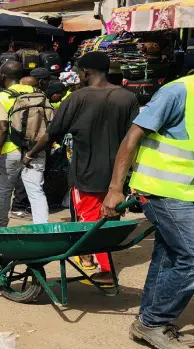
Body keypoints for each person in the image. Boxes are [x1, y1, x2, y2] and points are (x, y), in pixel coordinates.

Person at [102, 29, 194, 349]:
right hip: (160, 191)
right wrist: (114, 190)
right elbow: (132, 137)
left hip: (188, 193)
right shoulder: (177, 91)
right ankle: (152, 322)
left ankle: (150, 320)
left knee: (168, 255)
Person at [25, 52, 139, 285]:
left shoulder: (77, 98)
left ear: (85, 72)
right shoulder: (128, 98)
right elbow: (134, 138)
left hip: (86, 171)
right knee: (109, 219)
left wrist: (30, 153)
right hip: (117, 175)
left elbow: (51, 134)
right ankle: (91, 257)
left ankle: (102, 269)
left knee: (88, 219)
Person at [0, 60, 51, 228]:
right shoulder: (38, 93)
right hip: (35, 149)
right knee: (36, 190)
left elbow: (1, 129)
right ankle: (42, 228)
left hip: (10, 151)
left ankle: (0, 225)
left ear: (3, 76)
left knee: (4, 189)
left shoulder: (1, 97)